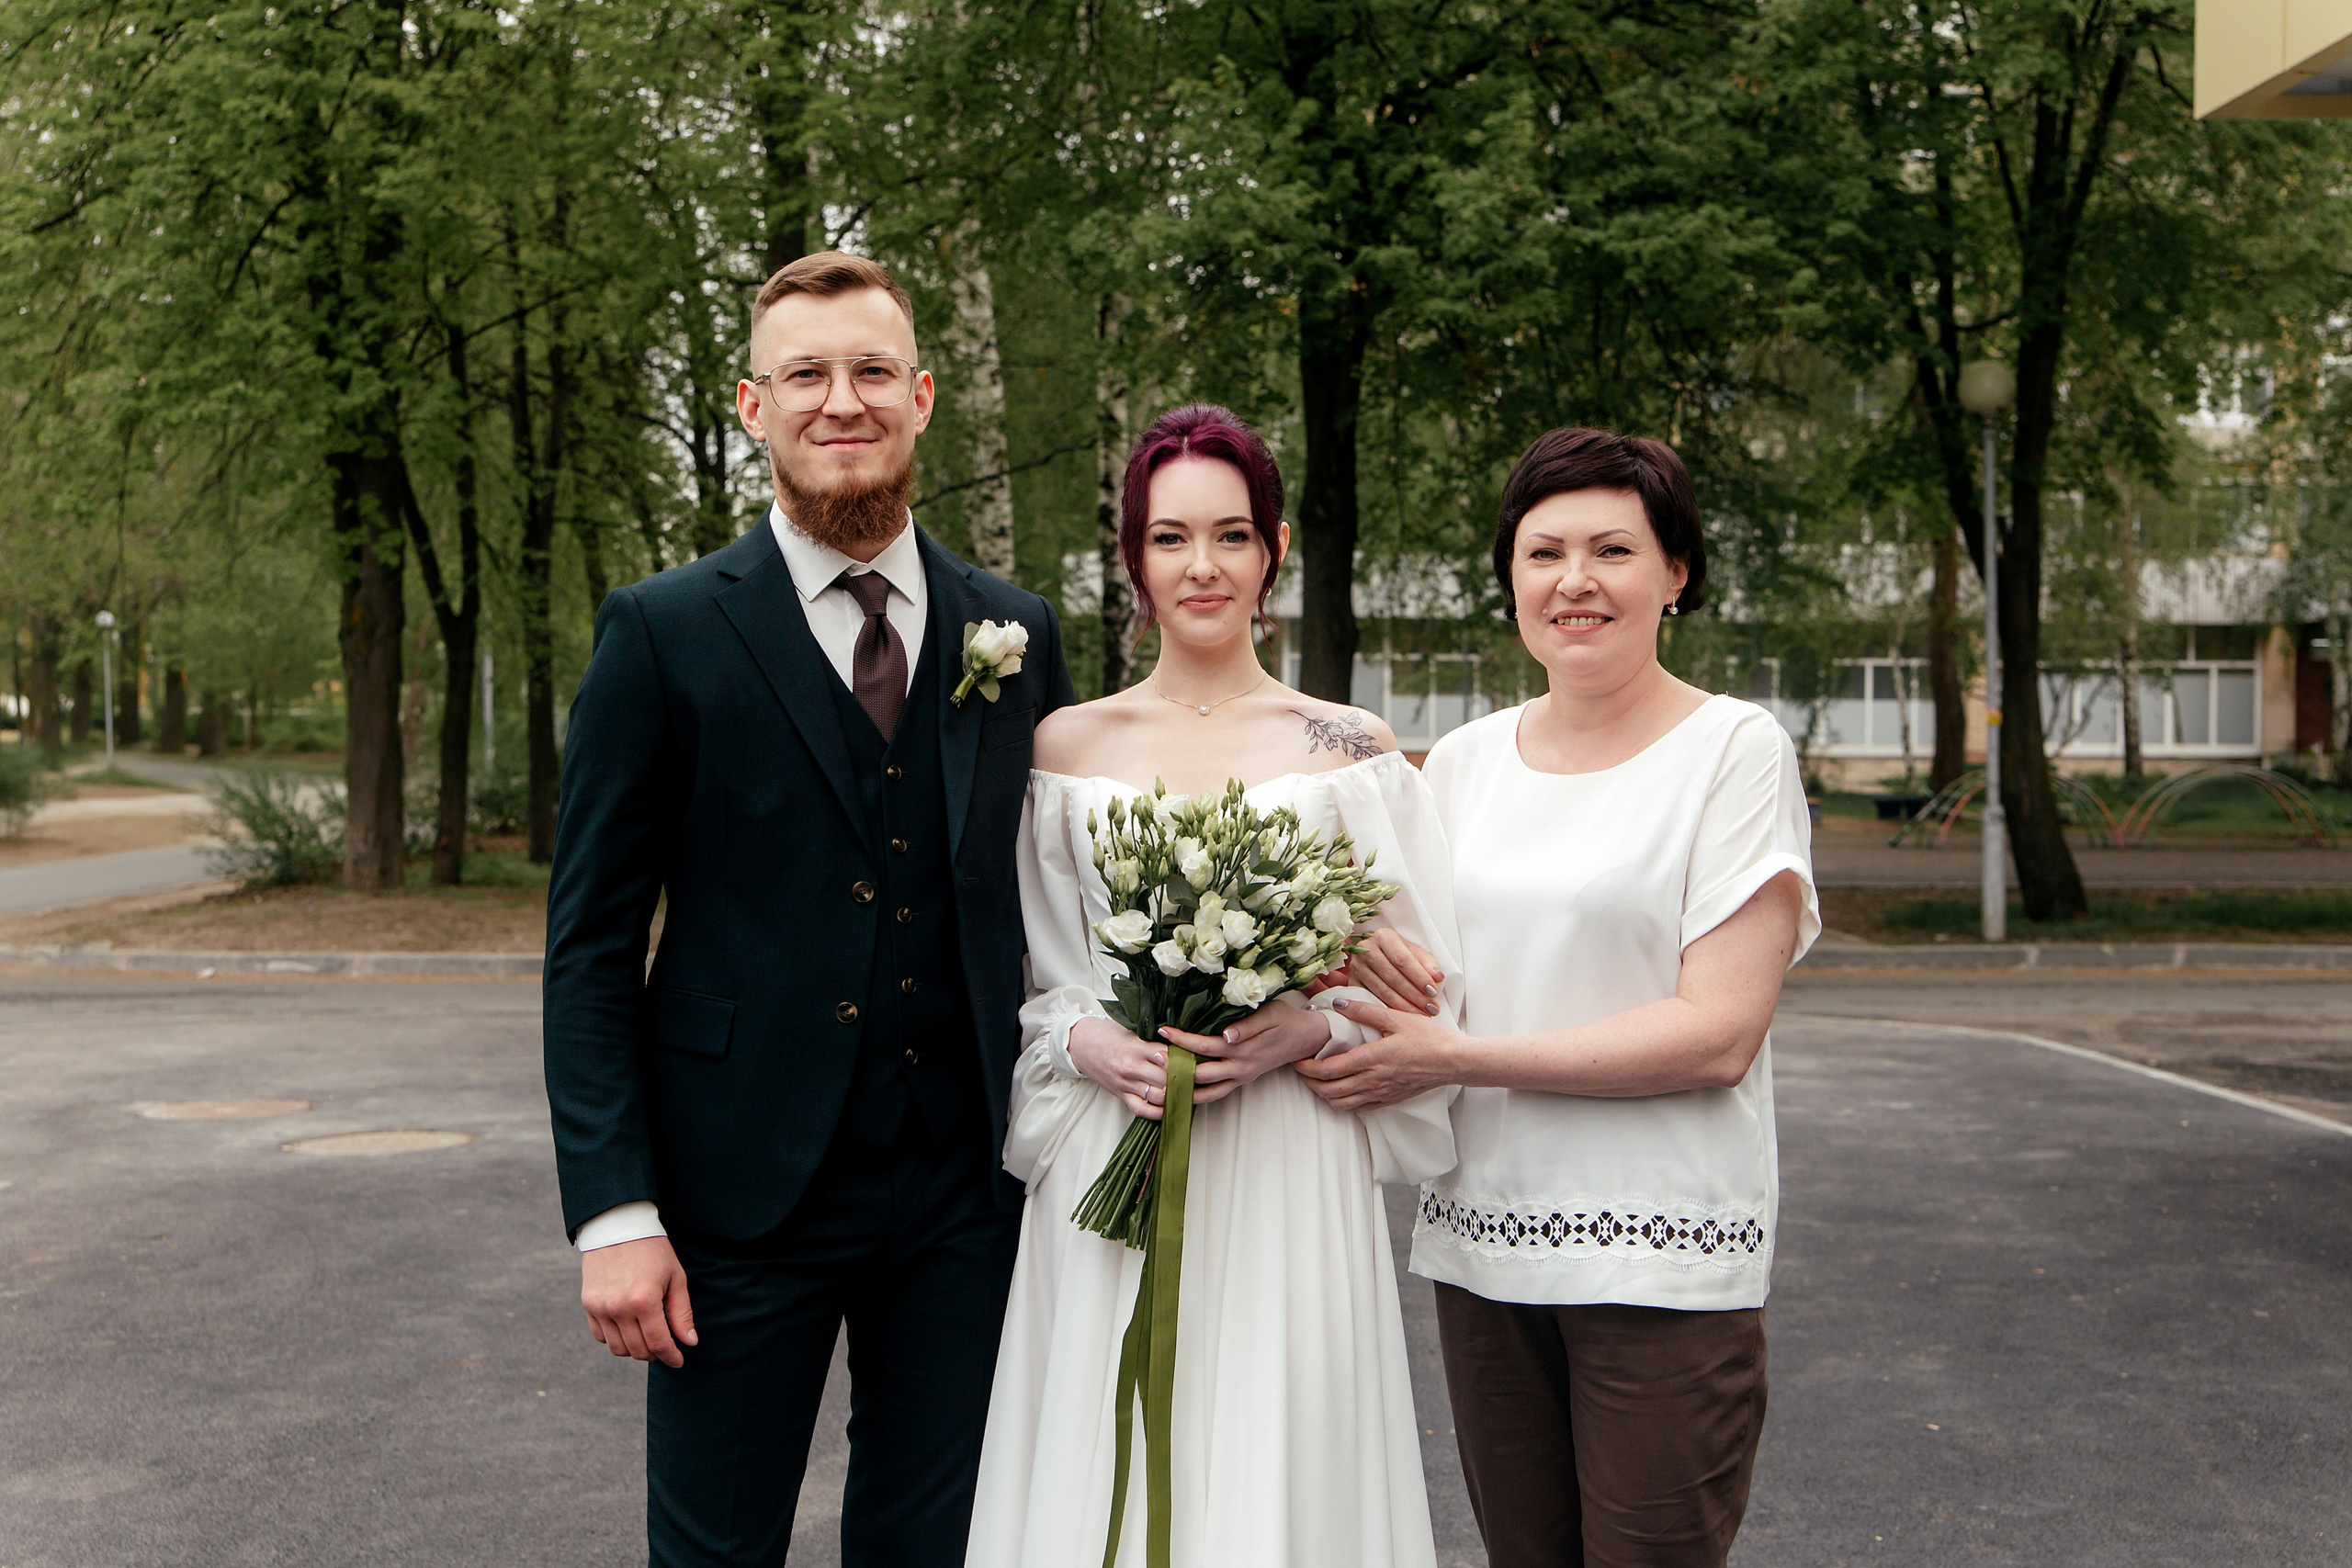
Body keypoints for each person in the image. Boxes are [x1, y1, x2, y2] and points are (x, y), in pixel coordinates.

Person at [542, 251, 1078, 1567]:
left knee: (941, 1543)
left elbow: (1064, 900)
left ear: (923, 394)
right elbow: (592, 946)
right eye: (807, 374)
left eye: (872, 370)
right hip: (735, 1197)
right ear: (752, 406)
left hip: (962, 1192)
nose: (842, 399)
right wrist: (615, 1211)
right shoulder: (661, 631)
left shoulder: (1013, 630)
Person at [1297, 427, 1819, 1568]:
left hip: (1661, 1263)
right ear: (1511, 581)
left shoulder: (1733, 752)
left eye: (1612, 550)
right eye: (1543, 553)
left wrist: (1455, 1058)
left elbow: (1717, 1034)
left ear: (1674, 573)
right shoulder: (1467, 762)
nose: (1574, 581)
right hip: (1484, 1251)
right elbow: (1403, 973)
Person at [963, 404, 1464, 1568]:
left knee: (1282, 1438)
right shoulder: (1063, 746)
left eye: (1232, 536)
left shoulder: (1350, 748)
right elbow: (1039, 976)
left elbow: (1418, 988)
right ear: (1133, 558)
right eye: (1171, 537)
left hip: (1289, 1154)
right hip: (1112, 1149)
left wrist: (1305, 1026)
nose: (1203, 566)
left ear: (1272, 551)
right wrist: (1088, 1042)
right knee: (1105, 1441)